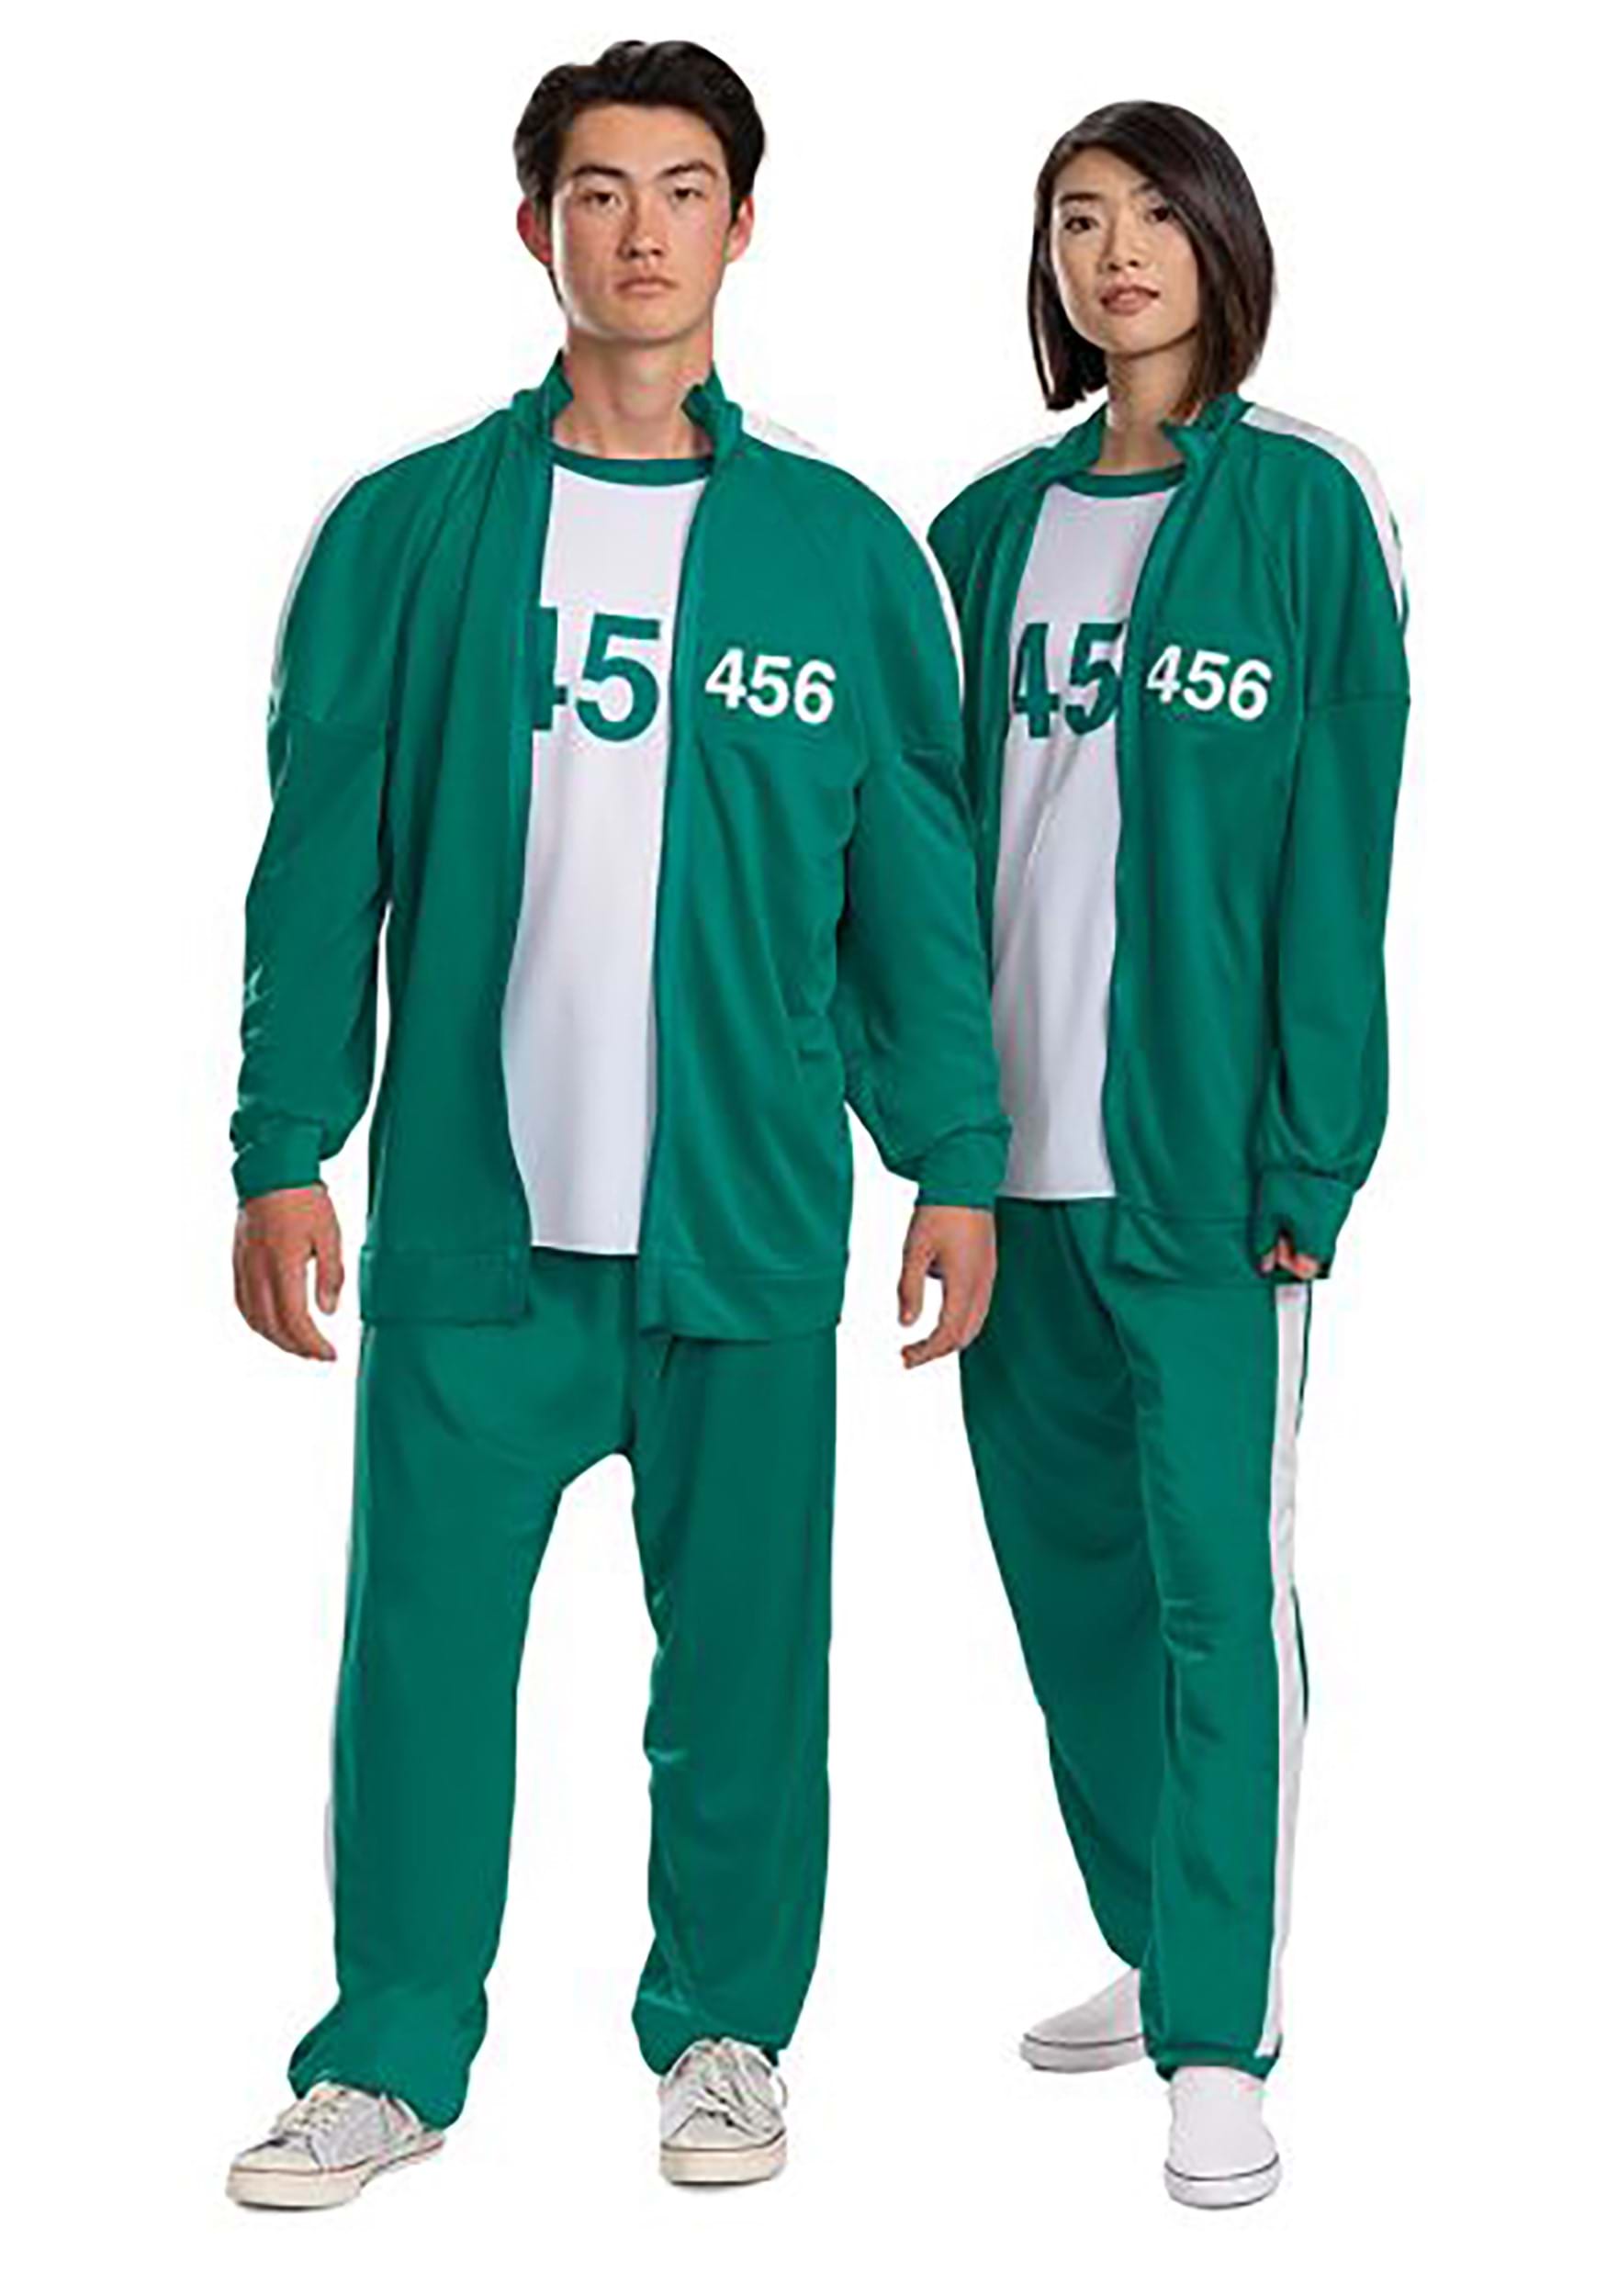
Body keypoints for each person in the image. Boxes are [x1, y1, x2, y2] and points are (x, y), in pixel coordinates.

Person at [224, 39, 1006, 2208]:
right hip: (473, 1232)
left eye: (678, 190)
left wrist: (948, 1155)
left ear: (741, 227)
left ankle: (725, 2032)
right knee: (418, 1668)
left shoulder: (841, 554)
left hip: (735, 1219)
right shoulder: (403, 532)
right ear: (533, 227)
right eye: (595, 190)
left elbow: (910, 896)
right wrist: (283, 1138)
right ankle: (387, 2054)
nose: (638, 230)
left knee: (745, 1669)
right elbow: (319, 862)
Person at [927, 100, 1410, 2208]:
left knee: (1216, 1587)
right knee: (1067, 1588)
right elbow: (916, 859)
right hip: (1003, 1175)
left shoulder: (1303, 508)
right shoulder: (975, 533)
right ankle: (1152, 1927)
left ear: (1219, 240)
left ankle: (1217, 2028)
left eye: (1146, 213)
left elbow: (1338, 854)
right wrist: (926, 1131)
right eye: (1071, 220)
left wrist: (1311, 1149)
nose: (1110, 251)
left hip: (1205, 1174)